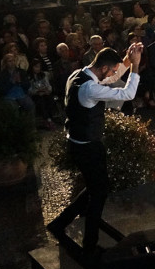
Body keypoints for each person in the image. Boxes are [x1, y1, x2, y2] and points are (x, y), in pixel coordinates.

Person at [47, 44, 143, 258]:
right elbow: (127, 93)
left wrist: (127, 57)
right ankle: (89, 245)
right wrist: (135, 66)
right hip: (89, 148)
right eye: (111, 70)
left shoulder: (78, 74)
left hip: (78, 142)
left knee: (93, 187)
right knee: (99, 193)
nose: (112, 75)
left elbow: (109, 77)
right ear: (103, 68)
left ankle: (59, 223)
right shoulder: (89, 89)